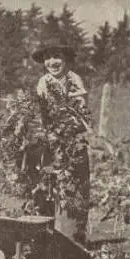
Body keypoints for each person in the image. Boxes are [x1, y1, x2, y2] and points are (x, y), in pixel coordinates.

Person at [31, 41, 91, 248]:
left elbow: (79, 112)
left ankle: (73, 236)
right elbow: (40, 110)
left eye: (57, 57)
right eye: (48, 58)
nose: (52, 62)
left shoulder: (73, 79)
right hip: (51, 142)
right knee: (50, 186)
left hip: (71, 141)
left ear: (65, 60)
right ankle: (51, 236)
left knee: (73, 187)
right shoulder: (43, 81)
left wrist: (64, 128)